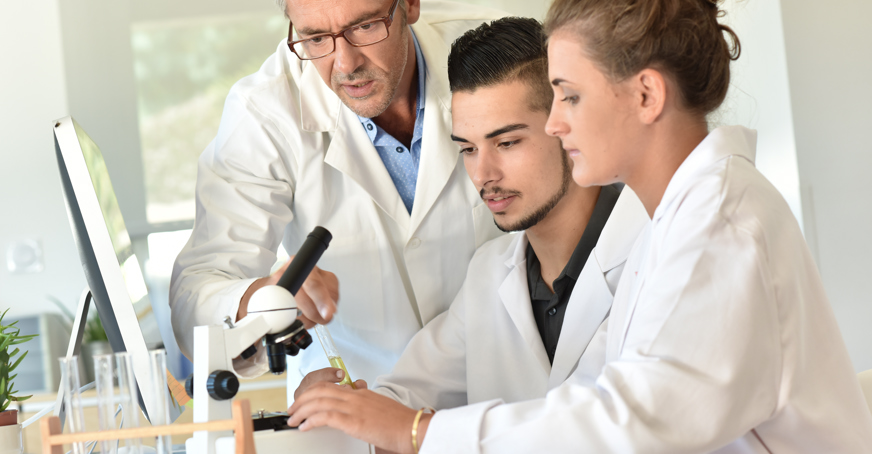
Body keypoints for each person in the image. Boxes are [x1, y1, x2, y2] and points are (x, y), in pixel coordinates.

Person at [288, 0, 872, 452]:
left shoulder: (719, 225)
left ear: (645, 94)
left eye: (567, 96)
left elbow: (634, 422)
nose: (558, 125)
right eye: (466, 147)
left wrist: (420, 433)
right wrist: (361, 407)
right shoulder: (686, 216)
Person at [286, 16, 647, 452]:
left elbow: (616, 427)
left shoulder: (655, 252)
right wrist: (338, 408)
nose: (483, 174)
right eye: (468, 149)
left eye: (508, 142)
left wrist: (414, 430)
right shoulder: (490, 274)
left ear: (567, 126)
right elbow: (401, 399)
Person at [169, 0, 506, 389]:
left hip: (508, 399)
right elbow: (193, 299)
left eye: (364, 27)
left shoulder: (498, 54)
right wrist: (262, 299)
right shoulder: (264, 112)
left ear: (410, 5)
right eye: (314, 37)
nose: (345, 64)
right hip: (359, 410)